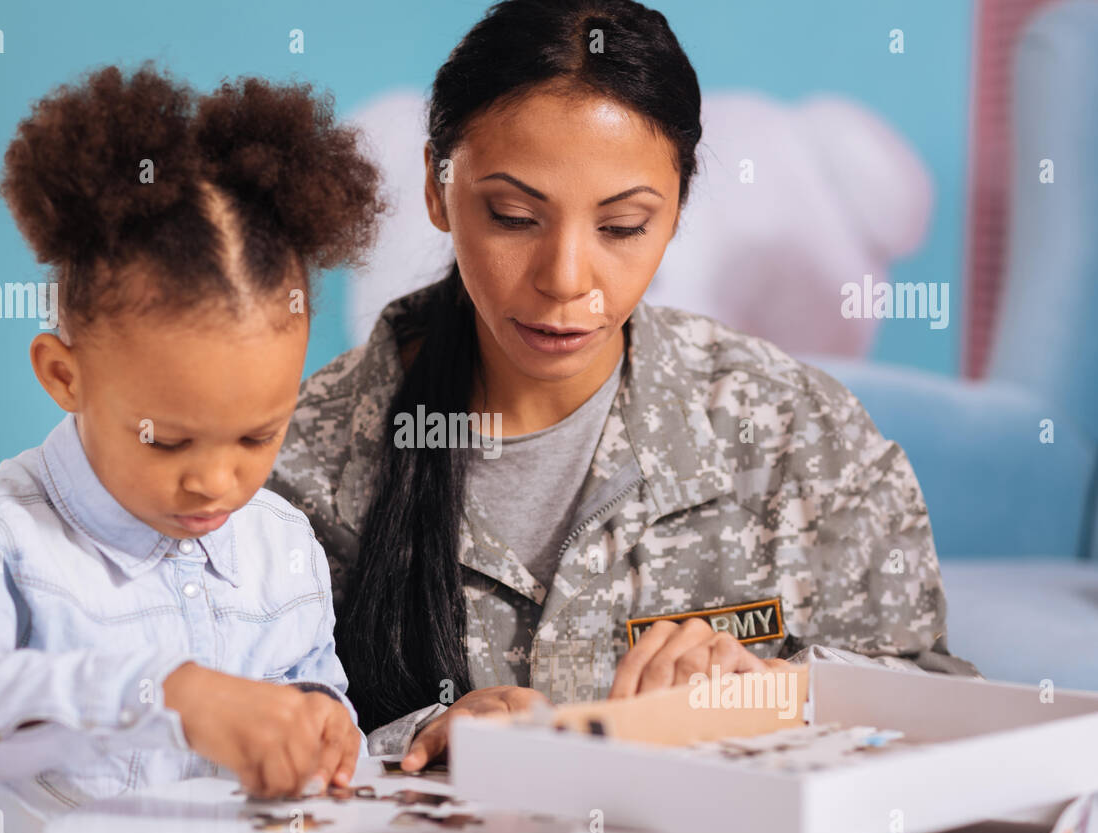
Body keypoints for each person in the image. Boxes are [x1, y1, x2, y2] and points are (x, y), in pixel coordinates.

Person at [265, 0, 978, 770]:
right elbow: (214, 742)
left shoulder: (798, 435)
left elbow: (947, 706)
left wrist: (771, 692)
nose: (567, 279)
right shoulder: (296, 463)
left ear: (676, 213)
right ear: (438, 191)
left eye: (623, 226)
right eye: (512, 215)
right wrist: (414, 738)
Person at [0, 64, 383, 833]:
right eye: (166, 440)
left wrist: (319, 717)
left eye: (257, 436)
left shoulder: (282, 543)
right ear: (63, 375)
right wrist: (162, 694)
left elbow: (313, 679)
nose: (216, 481)